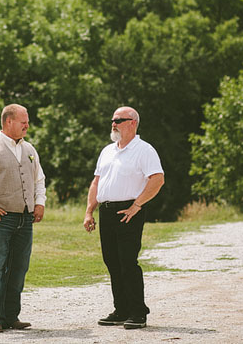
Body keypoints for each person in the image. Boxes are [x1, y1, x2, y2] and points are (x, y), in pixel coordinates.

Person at [83, 106, 165, 330]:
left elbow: (157, 179)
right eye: (113, 120)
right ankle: (121, 309)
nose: (114, 123)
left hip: (129, 211)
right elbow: (96, 182)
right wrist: (89, 211)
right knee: (112, 261)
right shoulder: (108, 151)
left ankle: (138, 312)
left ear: (133, 123)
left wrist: (137, 205)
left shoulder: (144, 150)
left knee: (128, 261)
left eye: (119, 120)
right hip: (107, 211)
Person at [0, 104, 46, 334]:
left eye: (27, 121)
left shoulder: (29, 149)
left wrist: (39, 202)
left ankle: (11, 316)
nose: (27, 125)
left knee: (19, 268)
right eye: (23, 121)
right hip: (1, 219)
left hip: (25, 219)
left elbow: (38, 179)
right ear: (8, 122)